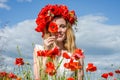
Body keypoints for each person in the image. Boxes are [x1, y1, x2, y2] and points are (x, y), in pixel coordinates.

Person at [33, 4, 84, 80]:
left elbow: (80, 78)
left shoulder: (76, 54)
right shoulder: (39, 50)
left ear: (68, 29)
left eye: (62, 26)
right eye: (54, 26)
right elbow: (38, 77)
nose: (58, 30)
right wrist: (46, 52)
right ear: (48, 30)